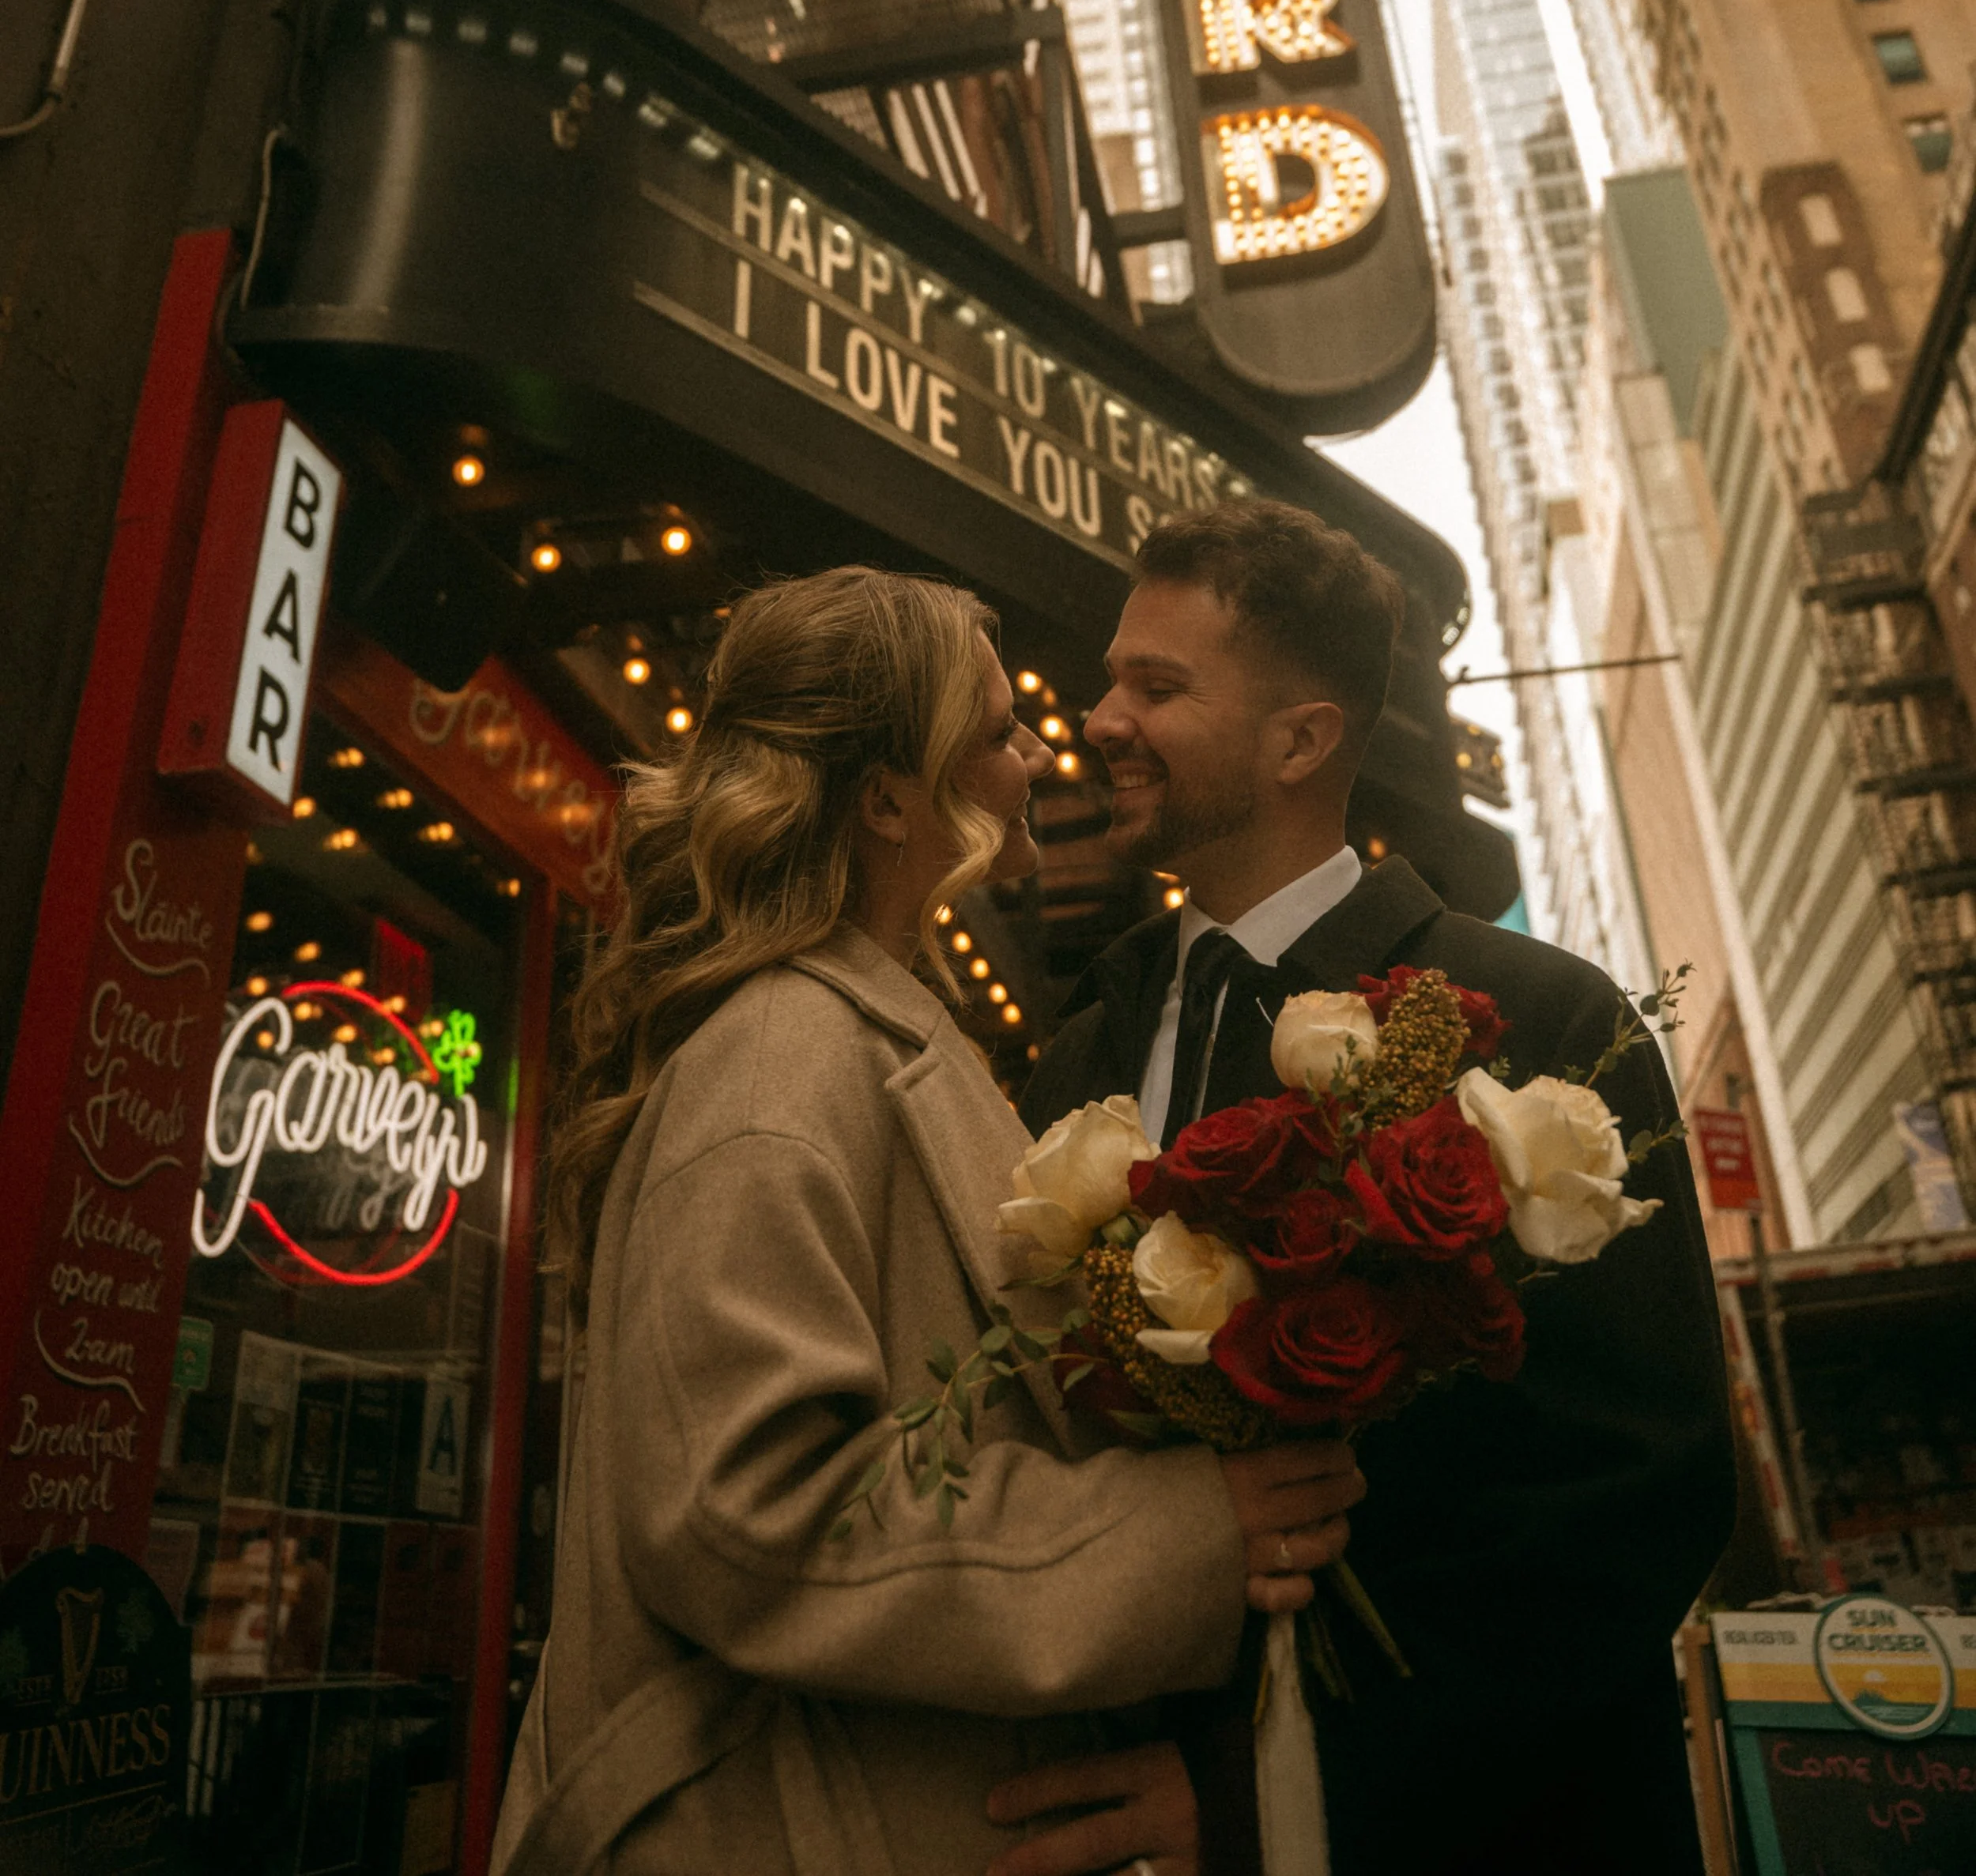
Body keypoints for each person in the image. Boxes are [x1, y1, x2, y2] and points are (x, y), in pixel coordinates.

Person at [492, 563, 1364, 1876]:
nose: (1035, 756)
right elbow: (744, 1513)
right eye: (999, 731)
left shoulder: (866, 1032)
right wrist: (1192, 1529)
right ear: (890, 794)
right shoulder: (782, 1053)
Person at [1022, 501, 1737, 1876]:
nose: (1100, 718)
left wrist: (1294, 1789)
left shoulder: (1543, 1019)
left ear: (1302, 739)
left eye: (1156, 687)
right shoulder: (1081, 1059)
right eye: (1112, 676)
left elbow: (1643, 1496)